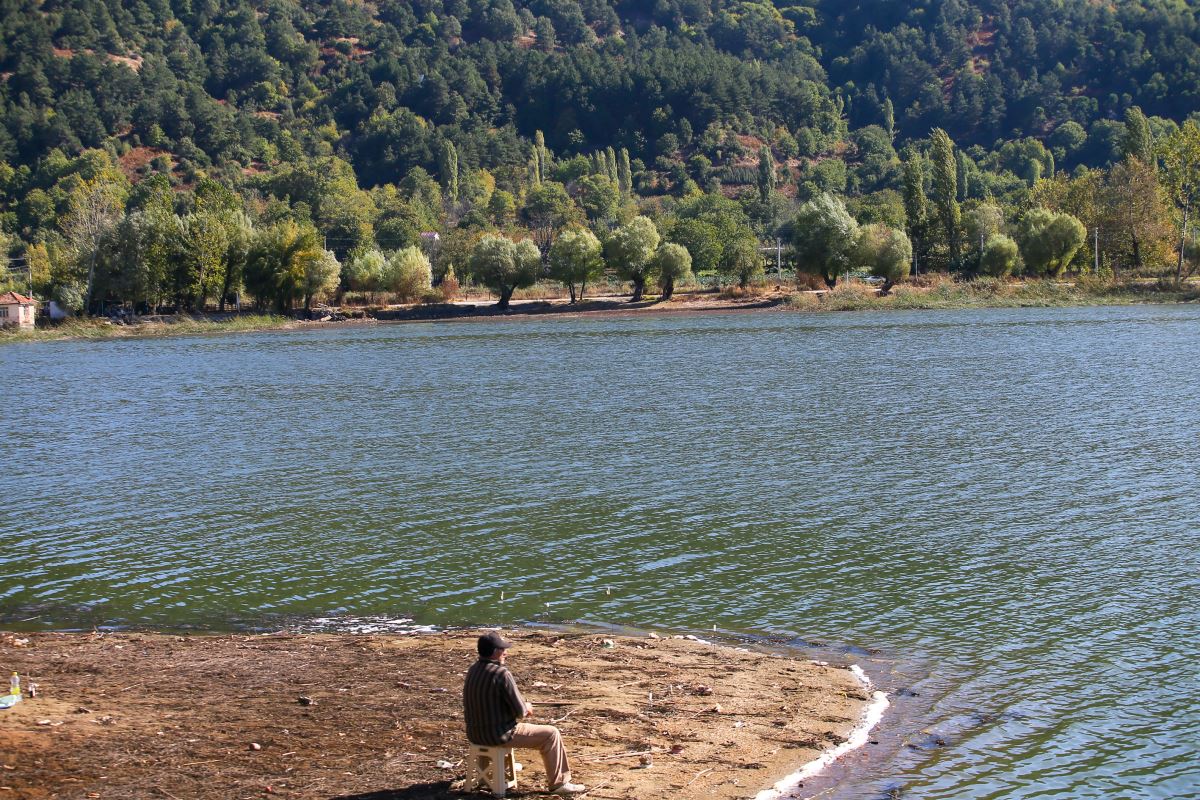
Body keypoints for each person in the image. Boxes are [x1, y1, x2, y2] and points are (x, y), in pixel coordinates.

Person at [463, 631, 585, 796]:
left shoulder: (473, 670)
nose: (505, 652)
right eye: (502, 649)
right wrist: (527, 706)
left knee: (491, 724)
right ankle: (560, 783)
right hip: (499, 735)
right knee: (551, 734)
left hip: (475, 734)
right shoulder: (501, 674)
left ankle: (487, 776)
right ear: (494, 652)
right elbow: (520, 712)